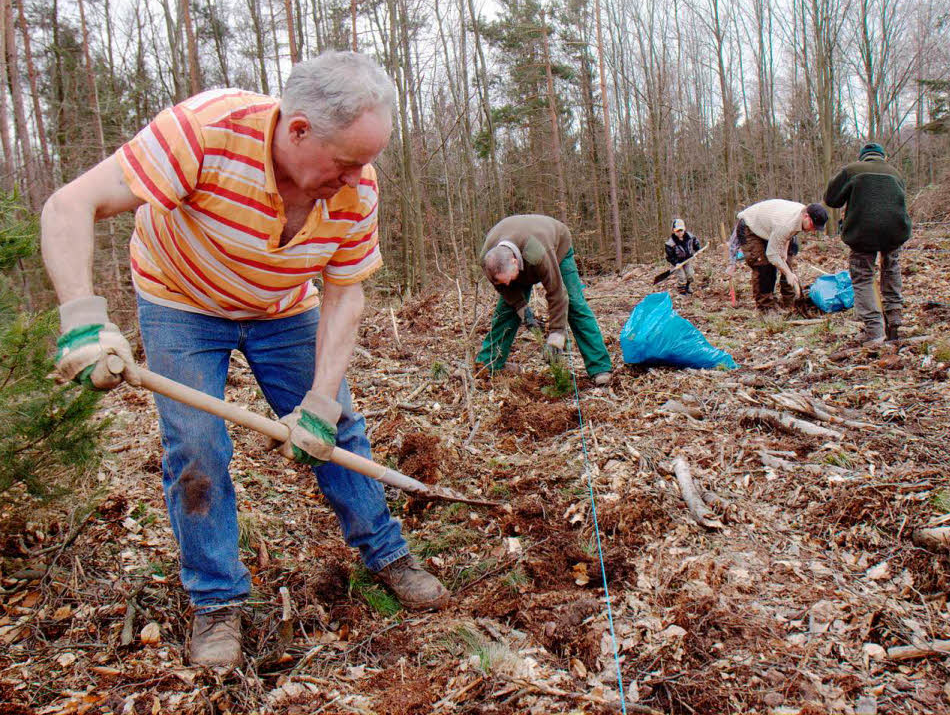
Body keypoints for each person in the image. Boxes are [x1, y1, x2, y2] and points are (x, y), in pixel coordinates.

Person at [40, 51, 448, 671]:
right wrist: (83, 322)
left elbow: (344, 291)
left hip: (283, 305)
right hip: (182, 299)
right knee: (196, 446)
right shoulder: (203, 131)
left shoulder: (357, 185)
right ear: (299, 128)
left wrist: (316, 401)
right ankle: (217, 603)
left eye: (366, 163)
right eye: (345, 162)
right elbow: (68, 206)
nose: (356, 177)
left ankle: (388, 555)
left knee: (337, 425)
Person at [475, 214, 612, 385]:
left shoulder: (538, 252)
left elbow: (557, 293)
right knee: (506, 312)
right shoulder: (488, 261)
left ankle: (599, 366)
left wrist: (556, 334)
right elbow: (503, 288)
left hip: (557, 246)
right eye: (504, 281)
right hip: (521, 253)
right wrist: (522, 308)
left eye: (510, 278)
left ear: (514, 261)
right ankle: (489, 364)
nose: (509, 284)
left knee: (575, 304)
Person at [824, 142, 911, 343]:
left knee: (862, 277)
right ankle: (894, 319)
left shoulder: (852, 170)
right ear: (883, 157)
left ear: (863, 157)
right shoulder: (895, 173)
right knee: (891, 269)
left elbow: (831, 199)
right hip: (895, 231)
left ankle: (874, 330)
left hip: (862, 232)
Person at [735, 199, 829, 311]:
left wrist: (784, 253)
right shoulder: (786, 224)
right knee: (764, 266)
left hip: (771, 228)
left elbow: (788, 235)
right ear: (806, 216)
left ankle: (791, 302)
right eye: (813, 226)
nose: (813, 231)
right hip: (750, 227)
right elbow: (772, 254)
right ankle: (765, 307)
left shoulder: (800, 216)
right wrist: (788, 273)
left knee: (788, 257)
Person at [664, 218, 701, 294]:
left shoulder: (690, 237)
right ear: (674, 231)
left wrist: (697, 248)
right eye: (677, 231)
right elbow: (669, 256)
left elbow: (695, 242)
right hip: (677, 262)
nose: (680, 232)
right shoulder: (670, 243)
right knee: (682, 277)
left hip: (687, 259)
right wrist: (675, 263)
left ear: (684, 229)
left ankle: (688, 286)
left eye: (681, 230)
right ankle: (682, 290)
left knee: (690, 274)